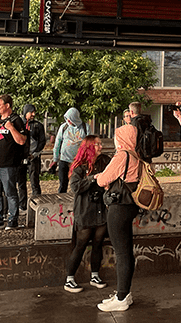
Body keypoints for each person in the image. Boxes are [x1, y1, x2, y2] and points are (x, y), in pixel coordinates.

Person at [94, 125, 143, 312]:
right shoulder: (136, 155)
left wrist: (101, 178)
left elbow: (101, 180)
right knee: (126, 250)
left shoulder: (122, 155)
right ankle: (124, 293)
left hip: (118, 207)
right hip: (130, 205)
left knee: (122, 253)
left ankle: (121, 297)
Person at [64, 135, 111, 293]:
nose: (100, 147)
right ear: (89, 147)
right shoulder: (80, 167)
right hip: (85, 210)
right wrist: (92, 178)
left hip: (101, 209)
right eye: (97, 144)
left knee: (98, 243)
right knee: (81, 244)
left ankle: (95, 275)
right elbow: (75, 187)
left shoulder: (105, 161)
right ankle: (69, 278)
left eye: (100, 144)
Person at [0, 95, 27, 230]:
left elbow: (22, 141)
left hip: (9, 164)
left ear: (7, 106)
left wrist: (11, 128)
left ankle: (13, 220)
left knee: (10, 193)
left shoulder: (16, 120)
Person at [52, 107, 87, 194]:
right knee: (62, 184)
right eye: (67, 118)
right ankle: (61, 205)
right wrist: (55, 159)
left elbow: (90, 144)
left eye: (70, 119)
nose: (69, 121)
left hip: (78, 162)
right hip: (64, 160)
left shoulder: (84, 128)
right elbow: (57, 143)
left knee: (77, 185)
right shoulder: (64, 127)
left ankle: (77, 203)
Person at [23, 105, 47, 199]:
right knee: (21, 182)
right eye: (31, 112)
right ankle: (22, 204)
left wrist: (34, 154)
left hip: (34, 157)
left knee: (34, 181)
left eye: (34, 112)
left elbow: (42, 142)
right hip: (21, 157)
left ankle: (37, 201)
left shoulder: (38, 126)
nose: (33, 114)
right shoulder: (19, 123)